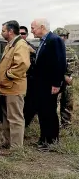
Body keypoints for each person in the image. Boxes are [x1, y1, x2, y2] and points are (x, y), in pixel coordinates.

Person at [30, 18, 66, 150]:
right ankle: (44, 138)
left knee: (49, 113)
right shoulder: (44, 41)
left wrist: (56, 84)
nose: (31, 30)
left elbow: (60, 63)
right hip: (41, 85)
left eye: (33, 28)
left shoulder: (54, 40)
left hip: (50, 85)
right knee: (42, 112)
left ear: (42, 27)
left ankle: (52, 141)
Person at [0, 20, 31, 150]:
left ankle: (16, 148)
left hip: (14, 87)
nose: (2, 33)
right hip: (7, 87)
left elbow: (22, 64)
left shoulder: (20, 44)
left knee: (15, 118)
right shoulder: (11, 44)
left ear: (10, 32)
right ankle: (7, 143)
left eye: (4, 31)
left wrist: (7, 75)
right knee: (7, 117)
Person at [53, 27, 78, 127]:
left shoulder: (71, 51)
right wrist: (64, 76)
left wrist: (71, 77)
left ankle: (66, 125)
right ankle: (53, 125)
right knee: (53, 104)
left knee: (68, 103)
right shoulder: (51, 51)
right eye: (60, 36)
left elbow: (76, 65)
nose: (62, 38)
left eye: (64, 36)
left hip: (69, 83)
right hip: (56, 82)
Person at [20, 26, 37, 127]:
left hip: (28, 79)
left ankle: (25, 124)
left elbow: (37, 61)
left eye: (23, 33)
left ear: (26, 35)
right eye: (19, 33)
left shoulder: (31, 47)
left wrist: (33, 52)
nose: (21, 35)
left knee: (29, 103)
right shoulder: (12, 46)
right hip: (17, 80)